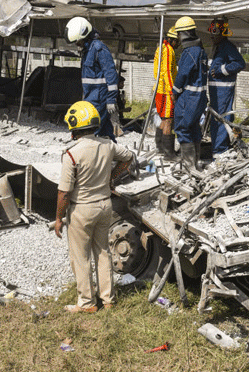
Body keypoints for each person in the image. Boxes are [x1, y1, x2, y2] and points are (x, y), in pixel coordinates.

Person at [54, 101, 134, 313]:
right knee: (103, 253)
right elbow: (128, 158)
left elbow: (64, 193)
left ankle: (87, 303)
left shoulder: (71, 153)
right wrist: (111, 177)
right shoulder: (107, 145)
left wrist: (58, 218)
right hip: (104, 206)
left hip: (81, 209)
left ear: (74, 128)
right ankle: (107, 299)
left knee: (80, 257)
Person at [66, 17, 121, 139]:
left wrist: (111, 99)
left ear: (85, 36)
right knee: (105, 132)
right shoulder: (87, 50)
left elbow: (111, 74)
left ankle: (89, 155)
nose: (76, 44)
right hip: (91, 98)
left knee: (91, 131)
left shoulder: (98, 49)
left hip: (99, 98)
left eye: (78, 41)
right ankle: (114, 154)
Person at [171, 16, 208, 169]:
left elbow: (183, 74)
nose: (178, 38)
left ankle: (188, 166)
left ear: (185, 34)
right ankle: (195, 162)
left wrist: (175, 91)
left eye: (179, 34)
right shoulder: (201, 51)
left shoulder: (190, 52)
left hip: (189, 97)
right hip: (200, 97)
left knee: (182, 127)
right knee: (193, 127)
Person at [207, 18, 246, 154]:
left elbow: (240, 64)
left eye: (214, 32)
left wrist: (220, 71)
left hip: (223, 90)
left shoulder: (227, 47)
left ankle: (219, 152)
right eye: (211, 31)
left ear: (222, 33)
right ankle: (218, 149)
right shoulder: (218, 48)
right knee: (218, 119)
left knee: (221, 118)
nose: (211, 35)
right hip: (217, 91)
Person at [153, 26, 179, 158]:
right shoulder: (168, 50)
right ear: (173, 40)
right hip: (165, 91)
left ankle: (160, 147)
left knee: (163, 119)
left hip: (159, 90)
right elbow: (167, 72)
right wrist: (172, 91)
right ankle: (169, 153)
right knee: (168, 120)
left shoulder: (160, 48)